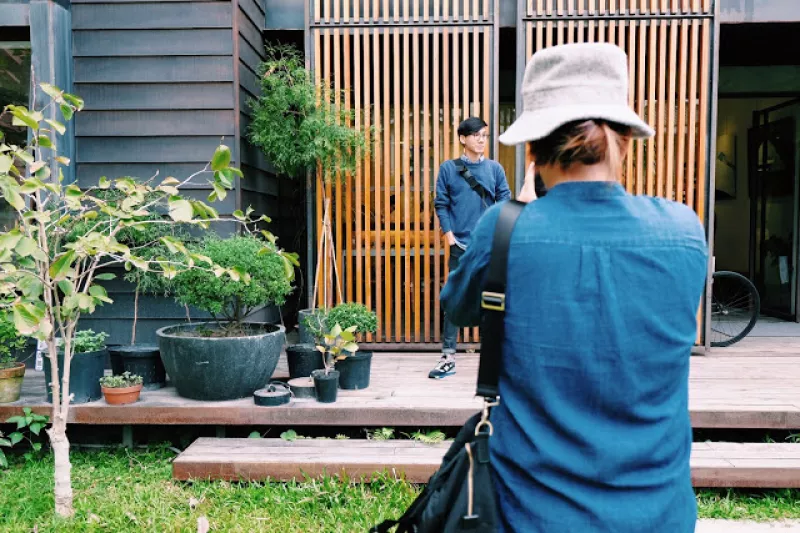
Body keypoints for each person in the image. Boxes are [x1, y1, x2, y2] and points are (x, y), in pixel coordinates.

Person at [440, 43, 708, 532]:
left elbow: (457, 309)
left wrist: (518, 207)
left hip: (530, 514)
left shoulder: (505, 229)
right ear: (625, 140)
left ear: (534, 151)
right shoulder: (684, 231)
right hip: (658, 514)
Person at [430, 117, 512, 379]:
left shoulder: (495, 169)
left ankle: (494, 356)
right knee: (455, 299)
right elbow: (440, 203)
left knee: (493, 299)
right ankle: (448, 356)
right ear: (463, 138)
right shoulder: (448, 169)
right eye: (476, 135)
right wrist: (448, 234)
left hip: (488, 245)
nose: (481, 140)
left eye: (485, 135)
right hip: (460, 244)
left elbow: (505, 201)